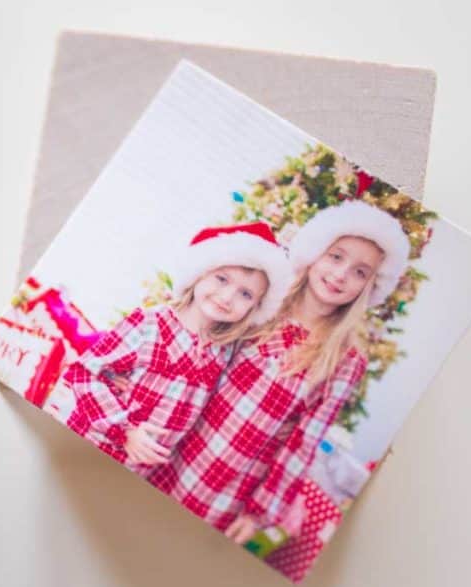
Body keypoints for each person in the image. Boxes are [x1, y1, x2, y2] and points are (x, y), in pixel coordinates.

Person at [146, 201, 410, 542]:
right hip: (171, 441)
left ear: (370, 285)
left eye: (360, 271)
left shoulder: (345, 358)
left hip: (226, 486)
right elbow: (195, 342)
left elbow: (304, 441)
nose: (341, 274)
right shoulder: (264, 301)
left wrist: (260, 512)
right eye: (336, 256)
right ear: (315, 252)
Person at [63, 222, 292, 473]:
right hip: (92, 449)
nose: (227, 297)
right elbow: (84, 373)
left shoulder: (222, 353)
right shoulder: (151, 324)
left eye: (246, 294)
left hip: (137, 472)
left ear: (255, 307)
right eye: (222, 278)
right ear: (200, 274)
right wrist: (124, 430)